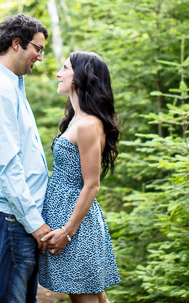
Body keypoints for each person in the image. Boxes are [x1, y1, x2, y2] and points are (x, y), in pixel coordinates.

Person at [0, 14, 52, 303]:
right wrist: (34, 222)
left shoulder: (11, 85)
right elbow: (6, 164)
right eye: (37, 49)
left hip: (17, 217)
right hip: (10, 217)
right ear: (17, 44)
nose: (39, 57)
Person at [38, 51, 121, 303]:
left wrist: (67, 231)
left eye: (65, 68)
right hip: (72, 219)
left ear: (81, 77)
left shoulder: (87, 125)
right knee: (97, 298)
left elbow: (92, 184)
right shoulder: (78, 119)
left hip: (76, 224)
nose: (58, 74)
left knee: (85, 299)